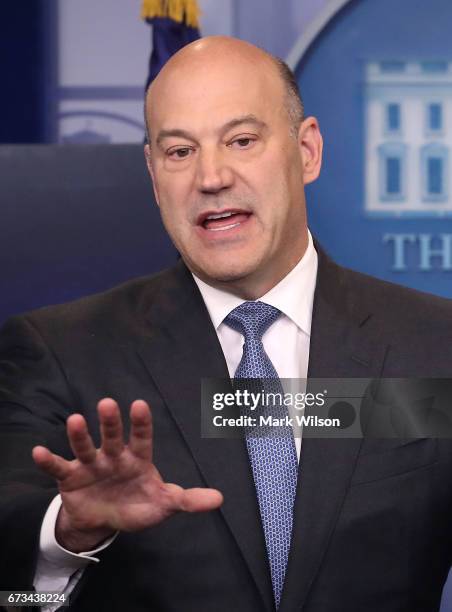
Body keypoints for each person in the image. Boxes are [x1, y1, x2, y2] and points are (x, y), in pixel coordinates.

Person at [0, 36, 452, 612]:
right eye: (180, 151)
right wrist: (67, 538)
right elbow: (11, 598)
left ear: (307, 150)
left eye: (241, 140)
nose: (210, 176)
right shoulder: (59, 352)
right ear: (152, 172)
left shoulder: (436, 347)